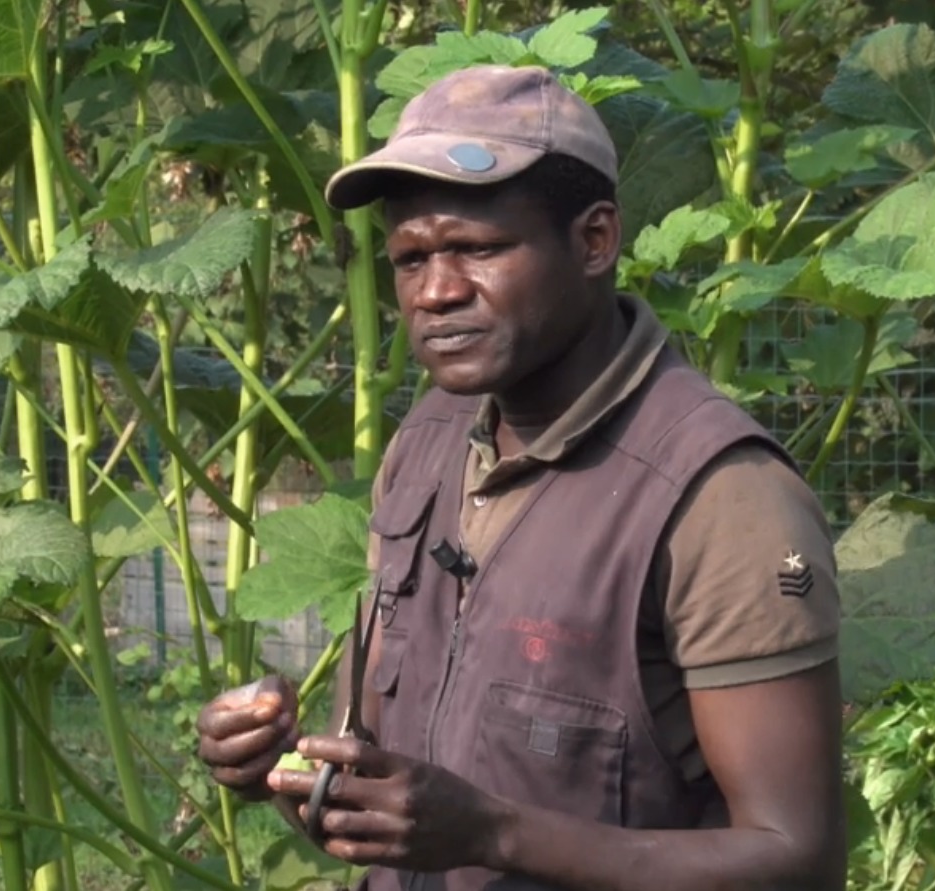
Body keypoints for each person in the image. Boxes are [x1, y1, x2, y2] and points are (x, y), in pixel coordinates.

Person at [196, 64, 846, 891]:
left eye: (477, 248)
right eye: (410, 257)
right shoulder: (427, 440)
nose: (434, 292)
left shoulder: (721, 495)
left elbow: (798, 858)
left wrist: (494, 833)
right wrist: (280, 769)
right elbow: (377, 791)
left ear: (594, 240)